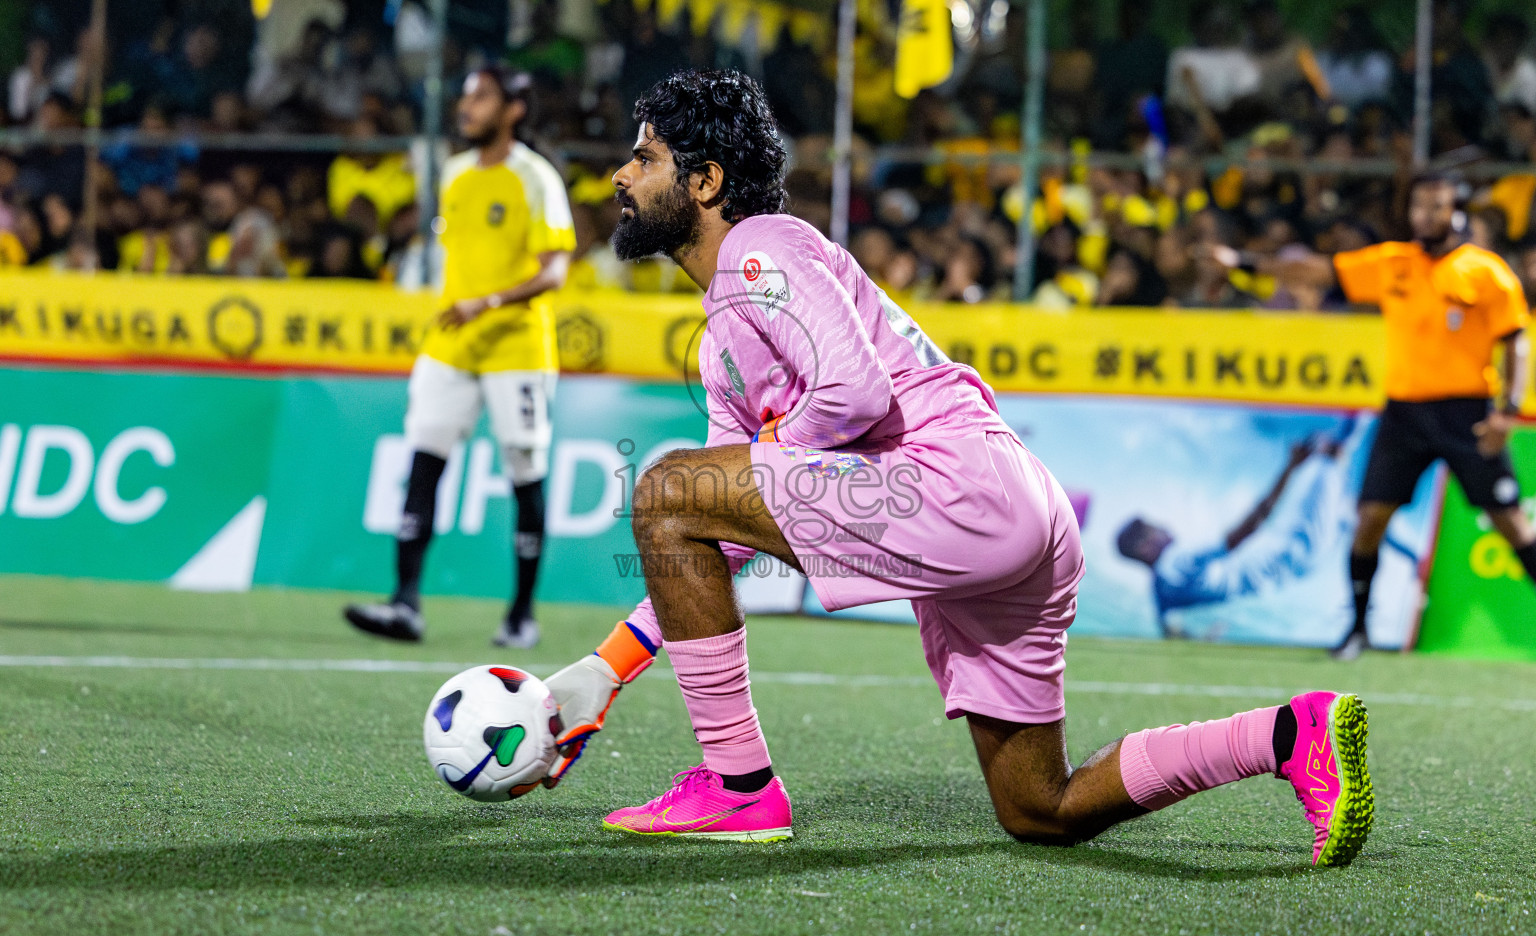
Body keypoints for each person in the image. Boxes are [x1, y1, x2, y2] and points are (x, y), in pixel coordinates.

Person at [533, 70, 1373, 867]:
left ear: (706, 180)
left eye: (644, 157)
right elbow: (720, 528)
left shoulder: (762, 247)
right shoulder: (723, 345)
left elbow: (853, 395)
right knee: (1041, 806)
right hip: (1010, 508)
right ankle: (1286, 735)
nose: (620, 175)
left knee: (670, 486)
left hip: (959, 488)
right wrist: (606, 669)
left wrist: (773, 450)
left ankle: (738, 787)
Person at [343, 68, 574, 648]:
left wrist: (489, 302)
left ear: (514, 110)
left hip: (515, 347)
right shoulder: (453, 174)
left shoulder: (534, 177)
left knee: (525, 473)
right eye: (466, 95)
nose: (466, 107)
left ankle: (521, 615)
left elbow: (555, 269)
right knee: (424, 461)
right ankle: (405, 604)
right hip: (450, 342)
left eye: (482, 97)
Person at [1282, 174, 1535, 660]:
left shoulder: (1487, 272)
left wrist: (1508, 411)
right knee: (1370, 519)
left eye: (1436, 207)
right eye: (1419, 206)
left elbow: (1515, 340)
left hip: (1468, 414)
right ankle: (1357, 629)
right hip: (1404, 414)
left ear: (1457, 212)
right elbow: (1319, 272)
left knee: (1511, 525)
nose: (1424, 216)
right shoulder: (1393, 262)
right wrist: (1244, 262)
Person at [1117, 435, 1352, 638]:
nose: (1165, 528)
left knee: (1342, 494)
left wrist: (1202, 639)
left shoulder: (1160, 590)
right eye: (1156, 529)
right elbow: (1246, 530)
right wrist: (1290, 468)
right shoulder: (1176, 559)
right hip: (1294, 550)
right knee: (1334, 460)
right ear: (1146, 548)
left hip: (1286, 567)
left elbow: (1169, 630)